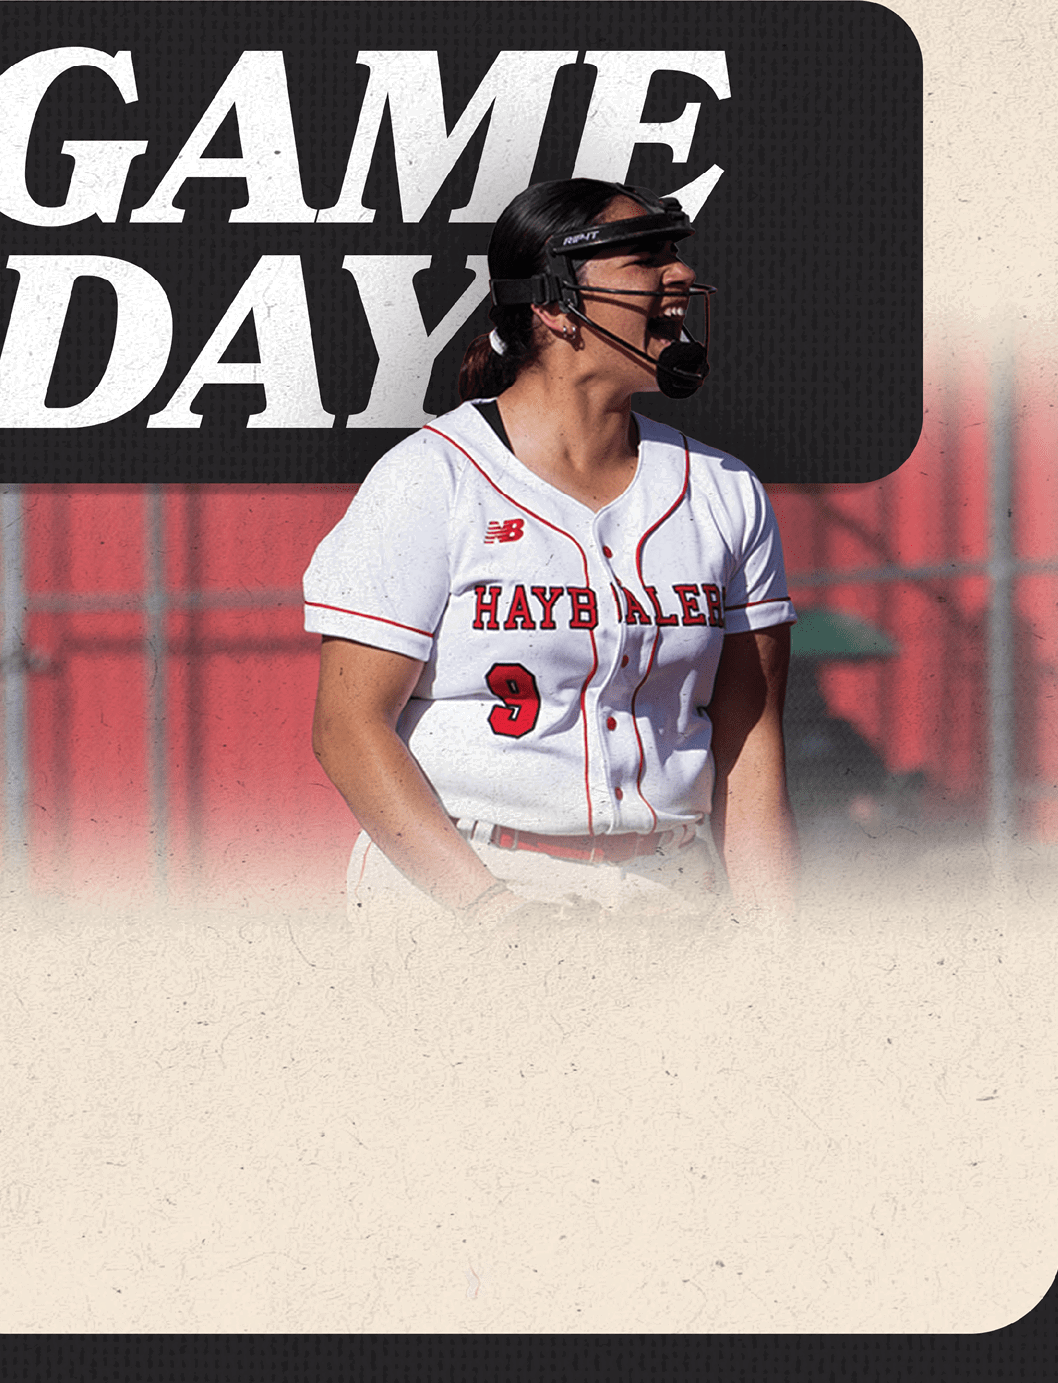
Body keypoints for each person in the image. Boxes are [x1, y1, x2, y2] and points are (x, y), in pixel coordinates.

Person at [303, 179, 799, 934]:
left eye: (673, 254)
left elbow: (750, 739)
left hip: (670, 889)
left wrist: (776, 938)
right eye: (645, 258)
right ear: (554, 305)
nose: (680, 274)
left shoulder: (724, 490)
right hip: (468, 882)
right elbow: (347, 727)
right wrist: (492, 914)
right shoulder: (432, 478)